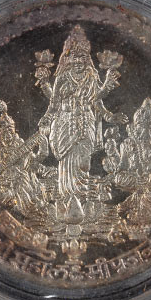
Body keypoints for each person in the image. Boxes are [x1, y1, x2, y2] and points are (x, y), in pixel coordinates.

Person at [37, 26, 127, 202]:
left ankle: (82, 196)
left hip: (86, 122)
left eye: (82, 57)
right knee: (67, 162)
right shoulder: (62, 78)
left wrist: (111, 117)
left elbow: (96, 102)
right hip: (65, 124)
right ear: (68, 58)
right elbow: (54, 103)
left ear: (87, 59)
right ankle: (67, 196)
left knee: (84, 162)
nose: (78, 61)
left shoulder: (91, 77)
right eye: (75, 57)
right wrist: (46, 119)